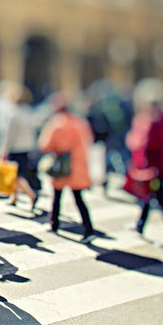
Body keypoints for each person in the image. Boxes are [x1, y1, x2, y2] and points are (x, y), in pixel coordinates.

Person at [126, 79, 163, 248]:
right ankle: (140, 225)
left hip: (156, 170)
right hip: (156, 169)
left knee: (161, 201)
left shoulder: (157, 123)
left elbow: (149, 145)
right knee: (149, 196)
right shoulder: (162, 121)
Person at [39, 97, 97, 244]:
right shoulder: (80, 123)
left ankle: (54, 223)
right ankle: (88, 229)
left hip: (62, 166)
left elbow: (45, 144)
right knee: (79, 199)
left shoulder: (56, 124)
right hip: (77, 166)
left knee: (57, 196)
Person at [0, 84, 39, 209]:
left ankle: (31, 194)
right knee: (16, 174)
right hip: (26, 147)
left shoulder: (12, 114)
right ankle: (14, 196)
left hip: (15, 148)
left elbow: (8, 135)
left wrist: (2, 151)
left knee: (16, 175)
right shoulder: (29, 112)